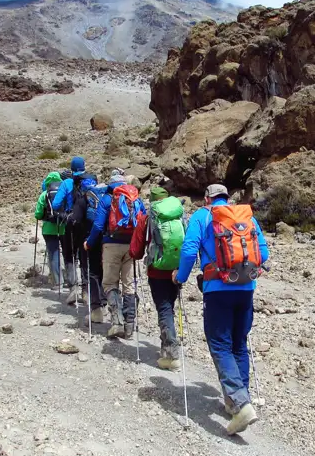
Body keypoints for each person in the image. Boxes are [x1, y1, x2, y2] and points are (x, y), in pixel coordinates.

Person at [173, 183, 269, 436]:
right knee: (239, 344)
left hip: (217, 289)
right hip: (246, 289)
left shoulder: (202, 216)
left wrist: (181, 277)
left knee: (219, 344)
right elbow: (264, 253)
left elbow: (189, 249)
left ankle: (240, 404)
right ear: (228, 198)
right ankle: (237, 399)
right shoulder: (246, 218)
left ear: (207, 198)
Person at [129, 186, 184, 370]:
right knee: (170, 305)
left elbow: (136, 251)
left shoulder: (147, 219)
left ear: (152, 201)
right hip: (177, 270)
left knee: (164, 309)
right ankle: (168, 345)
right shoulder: (178, 215)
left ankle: (171, 354)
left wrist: (136, 255)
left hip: (157, 271)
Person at [84, 173, 144, 339]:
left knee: (110, 282)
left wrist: (89, 243)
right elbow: (143, 222)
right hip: (131, 246)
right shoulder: (135, 199)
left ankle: (116, 321)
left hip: (111, 244)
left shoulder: (107, 200)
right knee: (129, 284)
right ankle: (130, 325)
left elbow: (97, 225)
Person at [51, 156, 93, 300]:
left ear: (71, 168)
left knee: (70, 256)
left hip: (70, 223)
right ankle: (86, 291)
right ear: (84, 166)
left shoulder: (67, 183)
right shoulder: (90, 181)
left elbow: (56, 205)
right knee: (85, 257)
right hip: (87, 225)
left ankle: (73, 289)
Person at [34, 171, 67, 288]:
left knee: (53, 254)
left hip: (49, 229)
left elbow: (37, 214)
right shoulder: (64, 192)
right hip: (63, 227)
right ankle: (70, 279)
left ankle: (58, 282)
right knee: (67, 254)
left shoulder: (44, 194)